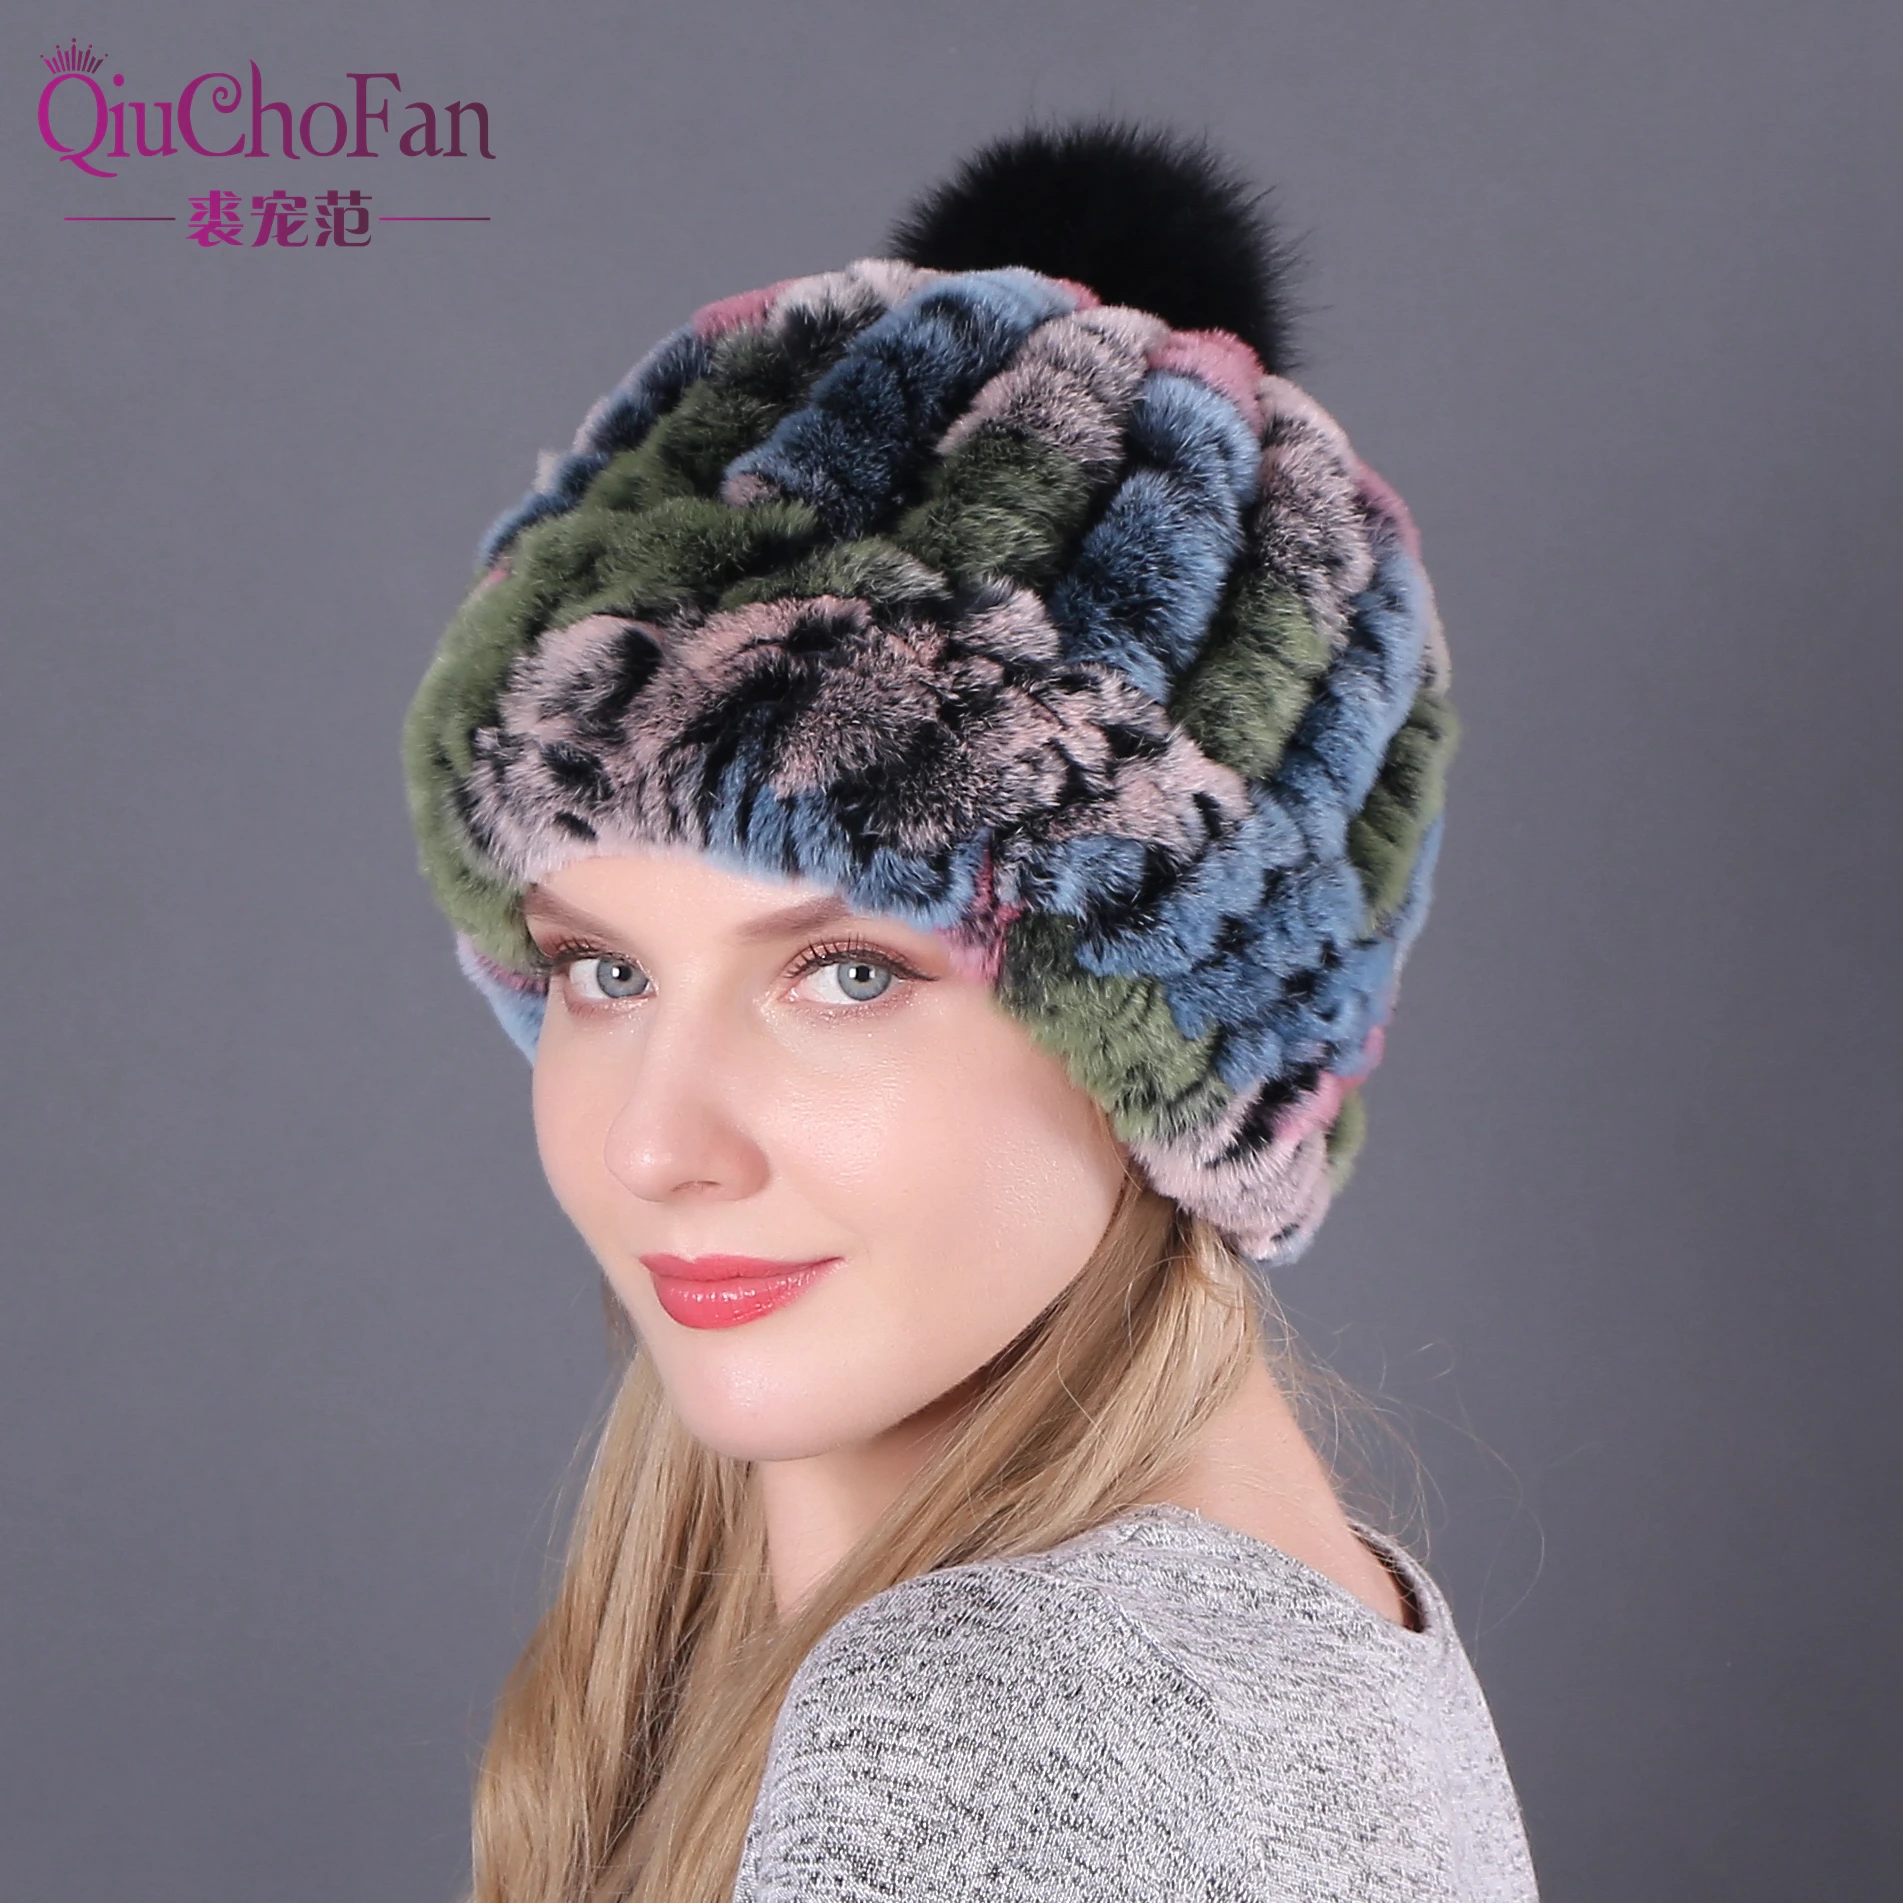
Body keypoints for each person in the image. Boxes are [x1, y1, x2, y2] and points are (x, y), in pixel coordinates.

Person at [402, 117, 1539, 1902]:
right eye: (604, 972)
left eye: (848, 972)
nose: (653, 1145)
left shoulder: (1001, 1728)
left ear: (1180, 1045)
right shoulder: (1311, 1624)